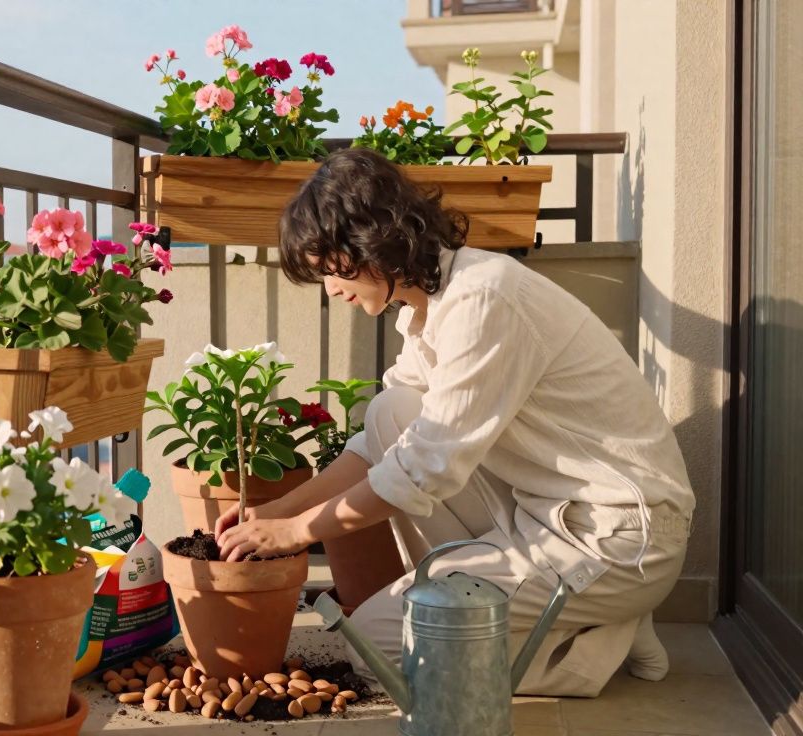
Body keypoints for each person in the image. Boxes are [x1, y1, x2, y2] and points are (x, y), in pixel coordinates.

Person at [213, 147, 695, 697]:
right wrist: (277, 509)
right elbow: (379, 446)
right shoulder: (435, 306)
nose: (331, 289)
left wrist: (295, 533)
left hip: (614, 538)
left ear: (376, 243)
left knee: (378, 650)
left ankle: (594, 642)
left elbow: (423, 470)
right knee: (391, 411)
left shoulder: (484, 299)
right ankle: (528, 610)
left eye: (333, 268)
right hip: (550, 515)